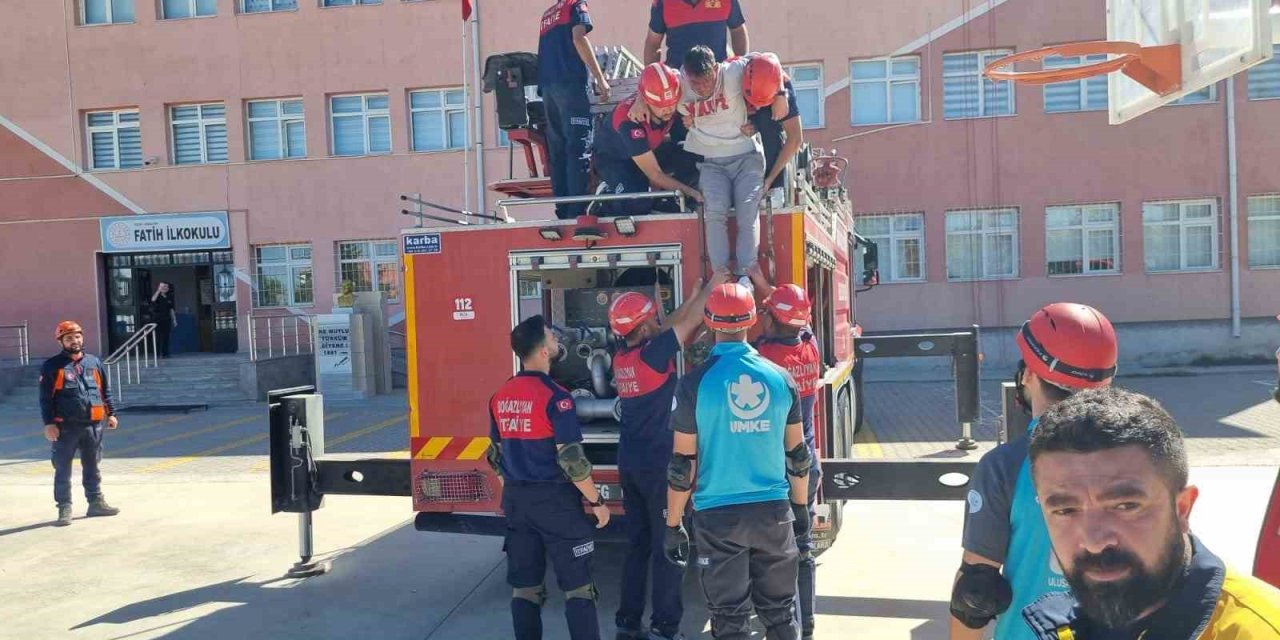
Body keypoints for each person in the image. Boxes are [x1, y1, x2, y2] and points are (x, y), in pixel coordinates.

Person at [1022, 387, 1280, 639]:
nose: (1094, 541)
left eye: (1125, 506)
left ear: (1182, 508)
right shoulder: (1059, 624)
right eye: (1065, 510)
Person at [951, 303, 1119, 640]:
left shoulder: (1005, 466)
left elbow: (976, 592)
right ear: (1107, 381)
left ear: (1028, 374)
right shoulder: (1142, 458)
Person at [664, 282, 811, 640]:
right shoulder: (781, 379)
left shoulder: (693, 385)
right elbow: (798, 456)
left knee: (730, 621)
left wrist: (673, 524)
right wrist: (800, 509)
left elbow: (682, 465)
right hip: (774, 514)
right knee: (780, 616)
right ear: (752, 320)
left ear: (709, 322)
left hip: (718, 518)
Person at [608, 271, 726, 640]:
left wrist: (691, 297)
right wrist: (712, 287)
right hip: (659, 467)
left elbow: (667, 327)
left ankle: (627, 620)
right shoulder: (653, 354)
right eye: (652, 320)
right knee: (669, 545)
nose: (658, 322)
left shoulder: (622, 357)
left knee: (637, 545)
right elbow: (686, 326)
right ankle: (664, 626)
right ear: (644, 328)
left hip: (630, 463)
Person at [486, 315, 611, 640]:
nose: (557, 340)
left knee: (526, 589)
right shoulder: (557, 397)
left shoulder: (500, 395)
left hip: (516, 501)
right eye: (552, 337)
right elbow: (572, 461)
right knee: (579, 589)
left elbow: (495, 456)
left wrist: (514, 492)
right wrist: (597, 502)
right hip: (556, 504)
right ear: (543, 351)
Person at [747, 272, 823, 640]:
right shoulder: (811, 347)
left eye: (766, 313)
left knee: (774, 555)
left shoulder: (764, 358)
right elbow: (797, 321)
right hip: (806, 464)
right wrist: (765, 284)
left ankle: (782, 625)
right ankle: (806, 627)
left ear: (773, 320)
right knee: (803, 549)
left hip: (776, 470)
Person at [680, 46, 768, 277]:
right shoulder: (678, 82)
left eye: (707, 81)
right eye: (695, 83)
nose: (702, 88)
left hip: (747, 156)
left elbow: (769, 62)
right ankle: (720, 277)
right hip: (711, 161)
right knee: (714, 214)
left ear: (716, 69)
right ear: (686, 75)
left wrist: (781, 97)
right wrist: (640, 102)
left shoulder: (732, 72)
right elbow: (646, 87)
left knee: (747, 212)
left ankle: (746, 275)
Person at [593, 63, 703, 216]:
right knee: (637, 202)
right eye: (661, 106)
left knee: (692, 154)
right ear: (648, 101)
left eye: (672, 104)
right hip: (615, 160)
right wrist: (691, 193)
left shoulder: (671, 86)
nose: (668, 110)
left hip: (649, 150)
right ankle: (605, 200)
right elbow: (655, 174)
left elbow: (672, 76)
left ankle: (670, 202)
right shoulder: (630, 122)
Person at [40, 321, 120, 527]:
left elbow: (104, 390)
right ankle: (64, 508)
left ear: (82, 337)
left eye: (77, 336)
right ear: (61, 342)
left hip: (93, 425)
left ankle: (95, 503)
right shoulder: (52, 366)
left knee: (93, 466)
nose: (74, 341)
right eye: (68, 338)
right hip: (65, 427)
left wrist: (111, 413)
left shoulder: (94, 362)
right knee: (62, 469)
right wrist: (49, 424)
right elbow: (46, 399)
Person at [537, 0, 610, 219]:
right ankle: (577, 211)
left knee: (558, 153)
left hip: (548, 90)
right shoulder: (575, 5)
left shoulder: (547, 15)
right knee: (578, 149)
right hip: (570, 86)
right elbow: (579, 38)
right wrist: (600, 78)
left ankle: (563, 211)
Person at [742, 56, 803, 207]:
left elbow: (795, 139)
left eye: (762, 102)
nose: (757, 106)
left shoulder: (783, 87)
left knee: (768, 121)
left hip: (774, 107)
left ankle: (775, 187)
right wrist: (750, 124)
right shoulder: (736, 71)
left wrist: (770, 179)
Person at [644, 0, 748, 70]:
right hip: (679, 82)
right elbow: (653, 43)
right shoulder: (663, 2)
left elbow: (737, 30)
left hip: (718, 79)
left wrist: (741, 66)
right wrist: (652, 76)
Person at [150, 282, 177, 358]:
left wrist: (174, 320)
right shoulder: (157, 295)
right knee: (157, 337)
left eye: (166, 287)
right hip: (157, 319)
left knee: (166, 336)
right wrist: (158, 290)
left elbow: (171, 309)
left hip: (167, 319)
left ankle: (165, 353)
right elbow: (153, 299)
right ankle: (157, 353)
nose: (165, 288)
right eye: (163, 287)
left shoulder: (169, 297)